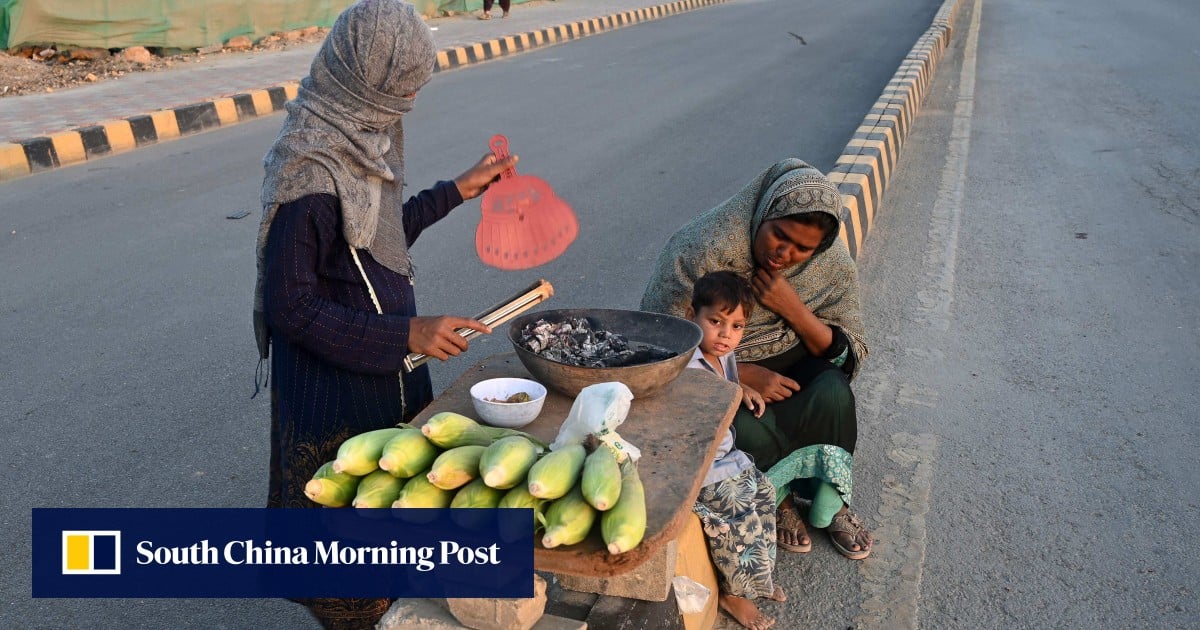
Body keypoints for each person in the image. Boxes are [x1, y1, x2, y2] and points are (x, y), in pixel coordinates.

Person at [252, 1, 517, 627]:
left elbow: (377, 235)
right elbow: (291, 306)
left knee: (388, 516)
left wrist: (457, 190)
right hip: (332, 394)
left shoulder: (359, 141)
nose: (410, 103)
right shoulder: (311, 172)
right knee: (340, 535)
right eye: (402, 87)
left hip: (382, 374)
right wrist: (408, 333)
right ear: (362, 78)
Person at [641, 158, 873, 561]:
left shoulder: (831, 265)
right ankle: (778, 502)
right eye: (778, 236)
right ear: (763, 212)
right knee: (740, 424)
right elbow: (661, 338)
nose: (784, 253)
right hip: (716, 367)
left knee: (833, 392)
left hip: (795, 357)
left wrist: (792, 307)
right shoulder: (705, 247)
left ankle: (830, 505)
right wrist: (741, 373)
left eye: (803, 248)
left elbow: (846, 355)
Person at [684, 271, 785, 630]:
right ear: (691, 316)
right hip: (705, 467)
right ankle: (734, 593)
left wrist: (742, 390)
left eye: (737, 326)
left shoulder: (721, 354)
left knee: (764, 492)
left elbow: (726, 387)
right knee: (737, 516)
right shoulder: (686, 366)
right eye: (716, 322)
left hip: (728, 457)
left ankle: (759, 578)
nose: (726, 334)